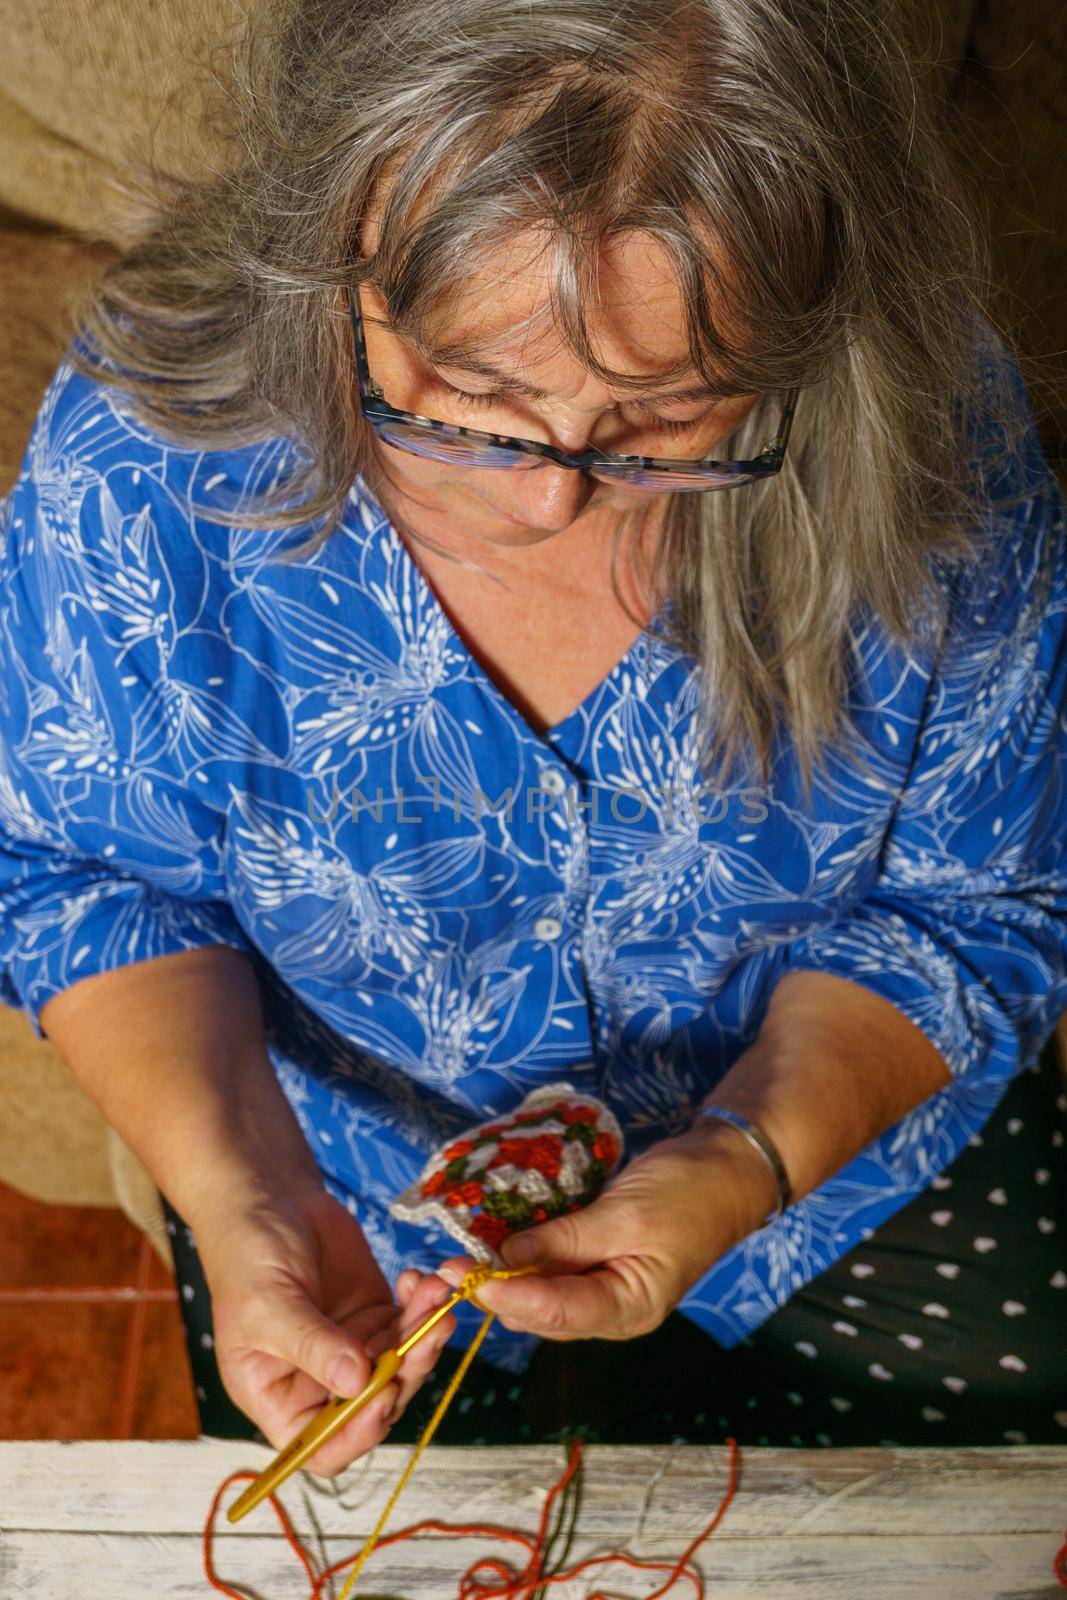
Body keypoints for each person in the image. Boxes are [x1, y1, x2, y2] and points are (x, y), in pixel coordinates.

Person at [1, 0, 1065, 1469]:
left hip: (845, 1165)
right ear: (341, 239)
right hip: (350, 1195)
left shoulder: (934, 428)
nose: (553, 500)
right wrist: (243, 1196)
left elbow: (974, 910)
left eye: (667, 419)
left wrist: (748, 1161)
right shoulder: (146, 448)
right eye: (470, 400)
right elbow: (79, 876)